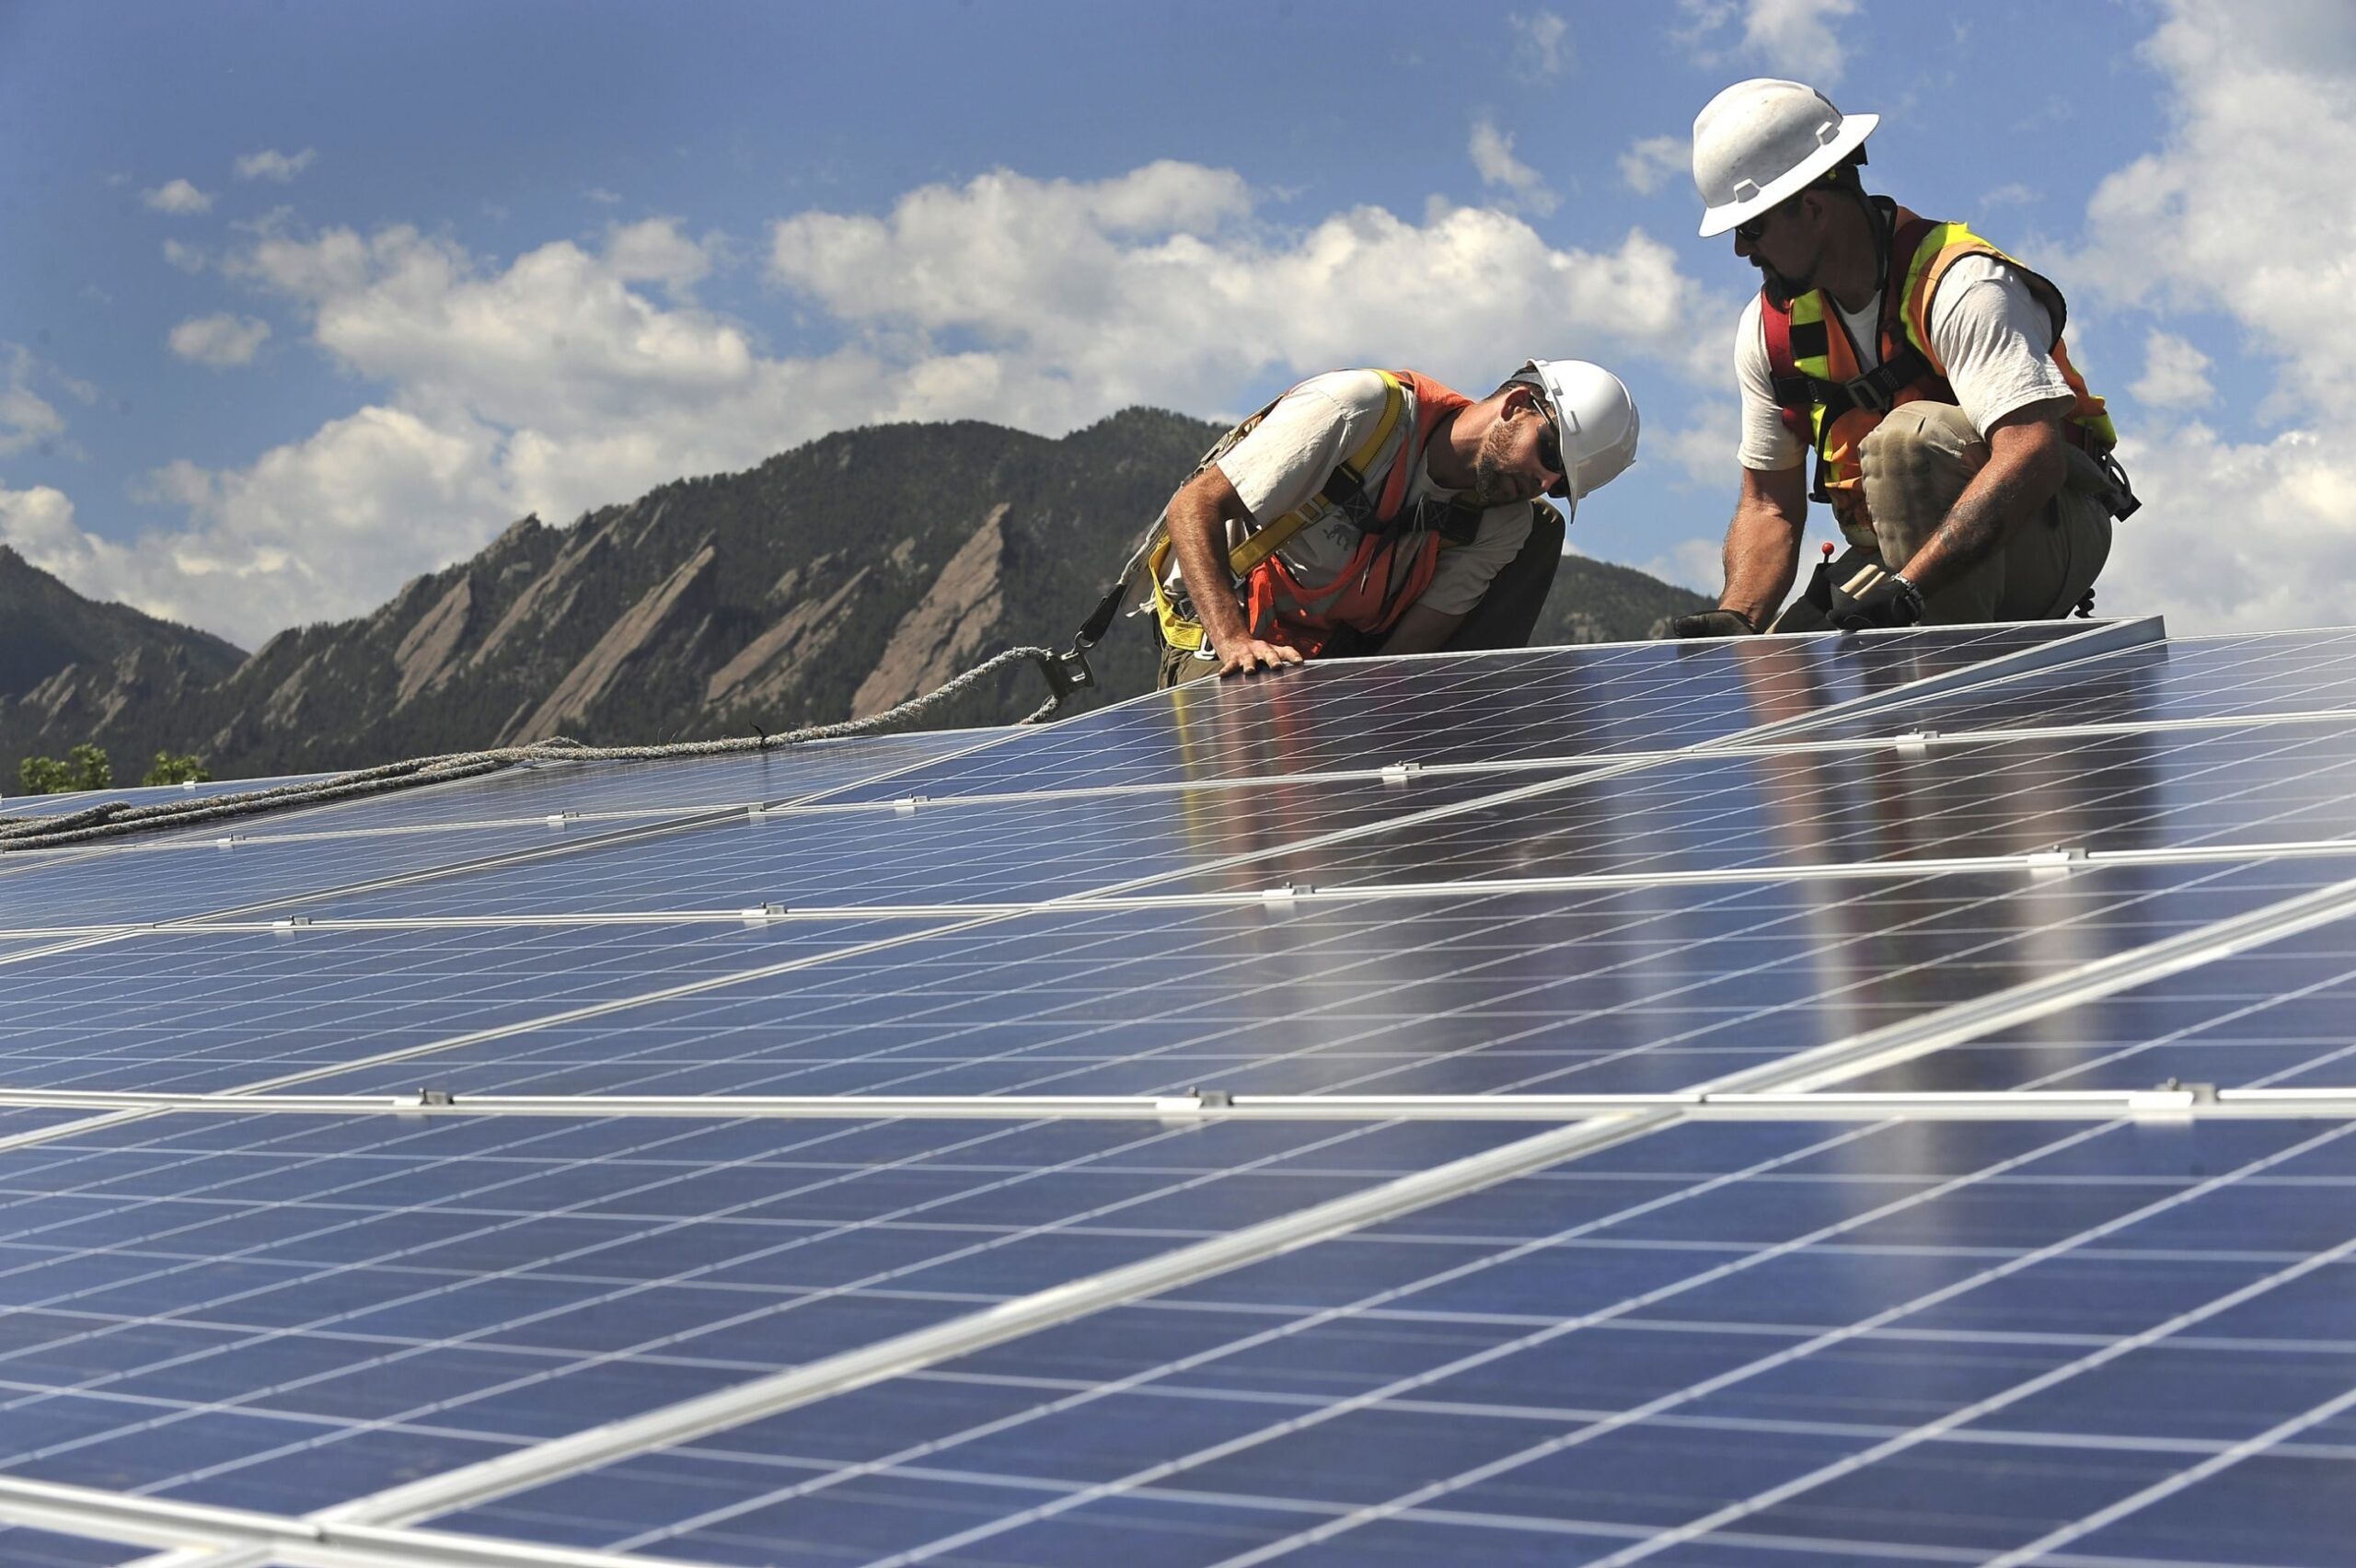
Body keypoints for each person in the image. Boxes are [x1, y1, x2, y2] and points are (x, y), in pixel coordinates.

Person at [1669, 79, 2136, 639]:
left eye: (1751, 227)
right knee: (1790, 681)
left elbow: (2033, 455)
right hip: (1893, 552)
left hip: (2048, 523)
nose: (1742, 250)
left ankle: (1945, 698)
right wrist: (1738, 616)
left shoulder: (1960, 285)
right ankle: (1902, 669)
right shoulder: (1771, 332)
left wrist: (1908, 590)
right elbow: (1769, 505)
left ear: (1813, 209)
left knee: (1905, 442)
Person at [1148, 360, 1639, 686]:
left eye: (1560, 484)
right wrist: (1235, 641)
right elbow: (1194, 506)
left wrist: (1369, 717)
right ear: (1515, 406)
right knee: (1248, 741)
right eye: (1549, 452)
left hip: (1329, 645)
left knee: (1541, 529)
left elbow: (1403, 655)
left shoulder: (1504, 523)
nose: (1543, 479)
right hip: (1225, 620)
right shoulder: (1358, 411)